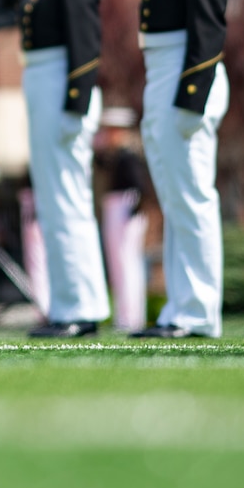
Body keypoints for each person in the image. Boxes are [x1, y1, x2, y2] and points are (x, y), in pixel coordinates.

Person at [112, 0, 232, 339]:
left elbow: (208, 24)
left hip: (188, 72)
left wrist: (192, 94)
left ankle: (198, 312)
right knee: (176, 198)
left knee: (192, 197)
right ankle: (180, 309)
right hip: (165, 69)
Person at [0, 0, 110, 338]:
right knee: (54, 202)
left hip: (62, 87)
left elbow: (86, 46)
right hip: (44, 83)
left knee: (68, 203)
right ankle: (67, 305)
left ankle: (81, 308)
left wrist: (75, 106)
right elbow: (8, 3)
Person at [94, 106, 152, 334]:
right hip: (115, 207)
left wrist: (134, 211)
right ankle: (125, 315)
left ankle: (131, 317)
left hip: (125, 208)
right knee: (120, 264)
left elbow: (139, 187)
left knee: (127, 264)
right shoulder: (114, 157)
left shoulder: (129, 156)